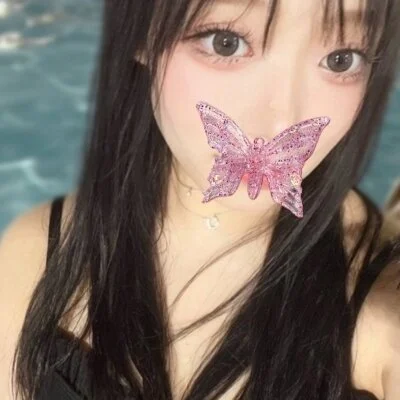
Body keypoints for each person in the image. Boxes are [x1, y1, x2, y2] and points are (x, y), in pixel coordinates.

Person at [1, 0, 400, 399]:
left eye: (341, 60)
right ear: (140, 31)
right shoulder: (37, 252)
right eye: (226, 42)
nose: (281, 120)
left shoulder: (383, 324)